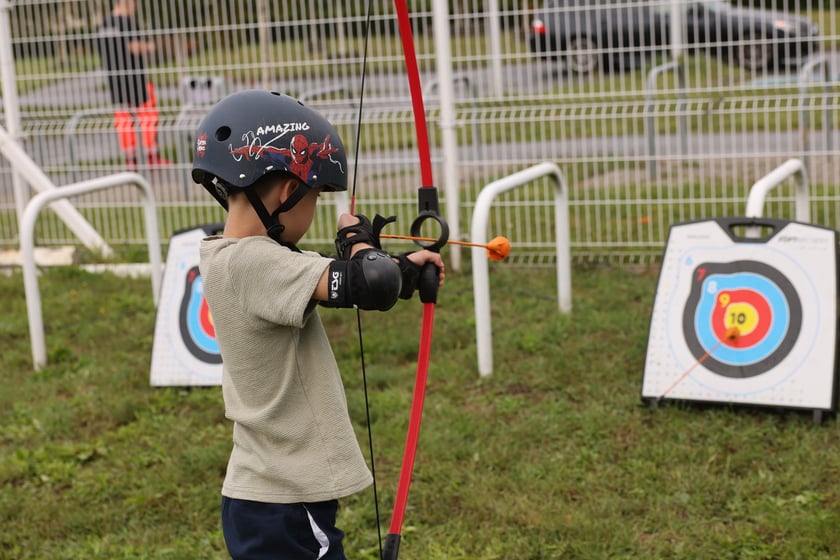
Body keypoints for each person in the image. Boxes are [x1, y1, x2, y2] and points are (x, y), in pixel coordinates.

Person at [192, 89, 445, 560]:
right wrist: (358, 241)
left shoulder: (236, 258)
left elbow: (338, 279)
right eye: (314, 198)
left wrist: (404, 270)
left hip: (267, 495)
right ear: (288, 193)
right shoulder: (254, 263)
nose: (314, 212)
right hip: (282, 499)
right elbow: (368, 282)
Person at [97, 0, 169, 168]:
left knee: (123, 118)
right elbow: (134, 47)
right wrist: (150, 46)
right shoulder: (127, 22)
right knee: (148, 114)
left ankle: (131, 158)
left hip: (115, 79)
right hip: (136, 78)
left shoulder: (104, 25)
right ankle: (151, 155)